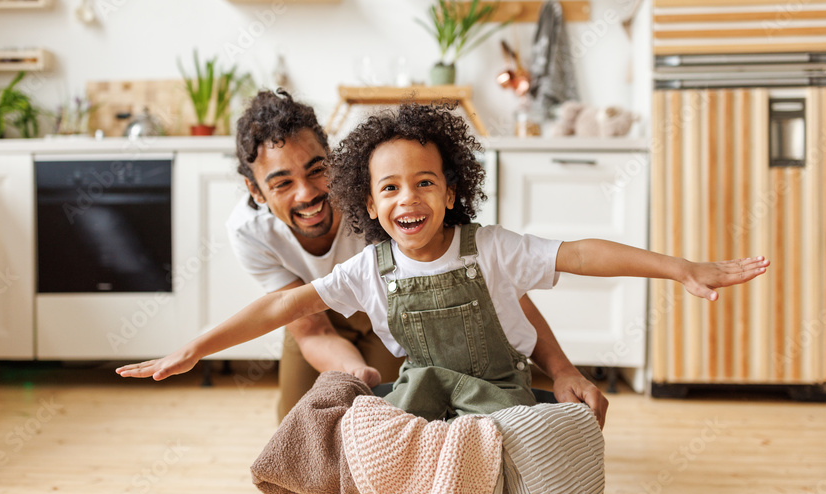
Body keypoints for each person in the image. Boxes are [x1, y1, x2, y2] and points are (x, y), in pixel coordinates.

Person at [118, 102, 769, 421]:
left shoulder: (484, 244)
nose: (309, 193)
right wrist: (199, 347)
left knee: (522, 424)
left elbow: (574, 256)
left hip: (481, 377)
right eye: (282, 183)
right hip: (350, 331)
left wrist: (682, 266)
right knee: (332, 415)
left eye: (425, 183)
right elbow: (290, 311)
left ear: (452, 189)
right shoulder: (354, 265)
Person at [224, 90, 609, 425]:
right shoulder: (249, 232)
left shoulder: (382, 199)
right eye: (282, 183)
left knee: (410, 407)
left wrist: (562, 370)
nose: (307, 194)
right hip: (316, 313)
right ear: (255, 191)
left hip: (397, 313)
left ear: (334, 159)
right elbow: (312, 328)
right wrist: (352, 371)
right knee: (297, 417)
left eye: (317, 170)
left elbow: (499, 290)